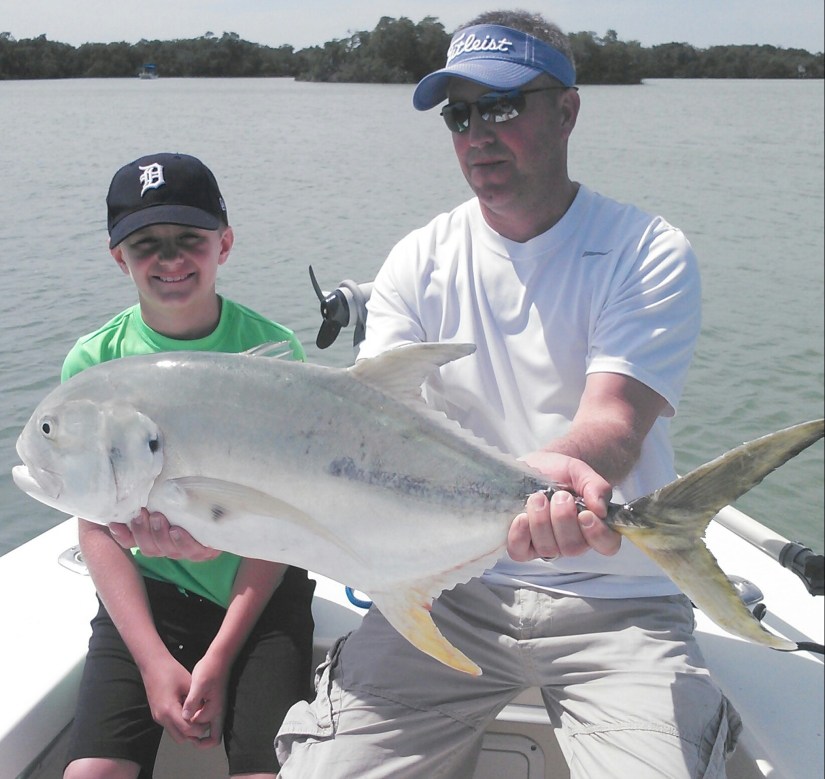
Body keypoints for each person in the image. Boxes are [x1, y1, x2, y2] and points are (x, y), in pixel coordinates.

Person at [271, 11, 742, 779]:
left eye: (501, 106)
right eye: (459, 115)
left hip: (618, 598)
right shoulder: (416, 260)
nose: (476, 134)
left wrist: (536, 488)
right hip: (445, 586)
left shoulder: (643, 250)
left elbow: (614, 421)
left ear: (567, 110)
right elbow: (377, 435)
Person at [61, 153, 315, 779]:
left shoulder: (276, 355)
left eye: (190, 240)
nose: (170, 260)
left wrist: (222, 658)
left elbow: (280, 523)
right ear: (118, 256)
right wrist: (152, 662)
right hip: (148, 599)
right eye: (146, 245)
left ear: (224, 244)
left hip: (258, 599)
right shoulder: (92, 366)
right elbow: (95, 527)